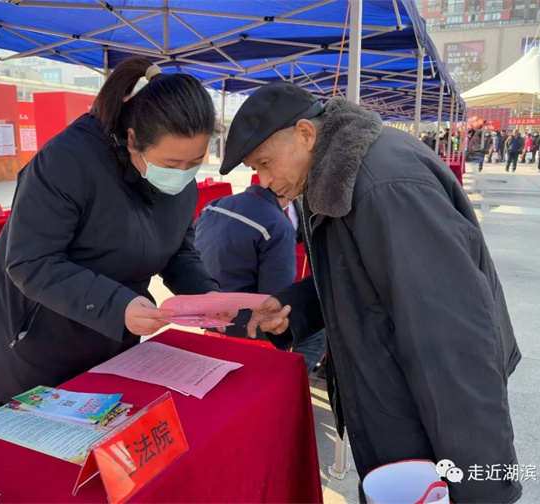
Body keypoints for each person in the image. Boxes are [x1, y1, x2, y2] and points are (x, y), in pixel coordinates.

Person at [218, 82, 522, 503]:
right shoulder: (334, 175)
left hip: (426, 413)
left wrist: (482, 487)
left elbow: (455, 338)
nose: (265, 182)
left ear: (305, 133)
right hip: (392, 395)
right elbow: (362, 278)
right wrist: (294, 307)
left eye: (266, 164)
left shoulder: (385, 186)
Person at [0, 58, 234, 407]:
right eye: (171, 164)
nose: (182, 174)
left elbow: (178, 251)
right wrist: (117, 306)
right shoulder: (66, 161)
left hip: (107, 337)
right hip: (29, 339)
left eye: (193, 163)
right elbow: (31, 262)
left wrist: (206, 295)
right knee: (38, 436)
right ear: (133, 140)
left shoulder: (180, 182)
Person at [194, 185, 326, 373]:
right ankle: (287, 382)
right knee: (317, 336)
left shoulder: (213, 205)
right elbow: (276, 295)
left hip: (207, 309)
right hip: (245, 321)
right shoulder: (277, 224)